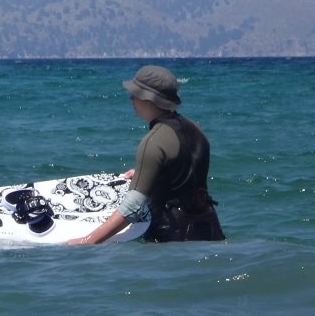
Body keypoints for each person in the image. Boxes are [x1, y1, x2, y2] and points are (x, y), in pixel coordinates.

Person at [68, 65, 225, 244]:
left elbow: (132, 209)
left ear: (149, 100)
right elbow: (185, 174)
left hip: (170, 239)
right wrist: (148, 174)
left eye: (135, 94)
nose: (131, 98)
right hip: (210, 231)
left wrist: (86, 241)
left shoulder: (153, 141)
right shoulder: (195, 129)